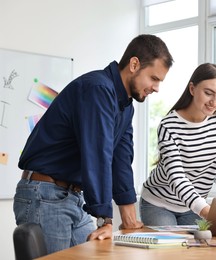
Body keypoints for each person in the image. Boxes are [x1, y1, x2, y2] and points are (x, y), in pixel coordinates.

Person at [13, 34, 174, 254]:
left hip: (72, 198)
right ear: (134, 64)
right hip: (45, 194)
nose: (156, 88)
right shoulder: (97, 89)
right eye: (154, 78)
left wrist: (129, 220)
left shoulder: (126, 106)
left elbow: (121, 161)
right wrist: (104, 220)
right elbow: (98, 155)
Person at [140, 63, 216, 226]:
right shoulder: (169, 125)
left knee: (200, 249)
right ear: (192, 89)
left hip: (194, 207)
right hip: (159, 204)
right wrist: (206, 211)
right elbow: (176, 177)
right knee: (170, 250)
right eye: (208, 93)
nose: (214, 102)